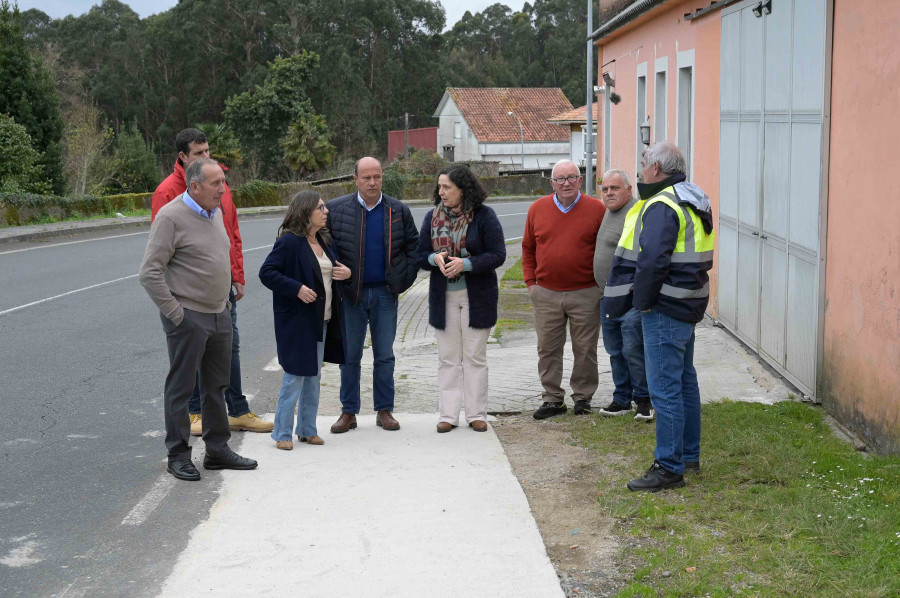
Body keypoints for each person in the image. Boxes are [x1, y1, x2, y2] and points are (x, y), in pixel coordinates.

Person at [603, 142, 714, 492]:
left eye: (643, 163)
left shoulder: (662, 204)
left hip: (665, 306)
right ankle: (688, 456)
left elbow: (651, 261)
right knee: (683, 381)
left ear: (656, 169)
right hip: (688, 302)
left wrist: (644, 303)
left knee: (665, 388)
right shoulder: (691, 196)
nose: (639, 170)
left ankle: (668, 466)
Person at [139, 158, 257, 481]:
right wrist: (178, 314)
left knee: (215, 386)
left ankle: (217, 450)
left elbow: (219, 254)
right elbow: (149, 273)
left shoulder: (215, 211)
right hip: (188, 317)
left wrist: (229, 291)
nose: (224, 189)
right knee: (181, 389)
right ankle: (177, 455)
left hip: (220, 312)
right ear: (194, 186)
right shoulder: (170, 217)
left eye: (223, 181)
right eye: (216, 183)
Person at [151, 128, 272, 436]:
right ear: (183, 157)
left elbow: (230, 232)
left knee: (228, 350)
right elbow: (159, 258)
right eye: (199, 153)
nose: (206, 157)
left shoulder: (217, 185)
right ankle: (193, 414)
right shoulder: (167, 194)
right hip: (188, 300)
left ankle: (238, 411)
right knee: (190, 357)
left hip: (222, 292)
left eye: (207, 150)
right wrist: (175, 310)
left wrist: (237, 275)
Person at [325, 157, 419, 433]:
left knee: (384, 355)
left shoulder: (398, 210)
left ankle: (384, 410)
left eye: (377, 176)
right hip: (350, 296)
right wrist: (334, 271)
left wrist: (402, 280)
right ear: (355, 179)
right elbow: (322, 247)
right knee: (350, 356)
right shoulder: (336, 210)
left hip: (384, 295)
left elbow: (414, 247)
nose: (372, 182)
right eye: (366, 177)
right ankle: (348, 412)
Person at [416, 165, 506, 433]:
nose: (441, 192)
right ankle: (448, 415)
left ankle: (476, 414)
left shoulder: (484, 216)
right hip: (443, 298)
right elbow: (419, 254)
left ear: (463, 190)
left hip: (477, 297)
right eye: (440, 187)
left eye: (447, 187)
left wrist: (466, 264)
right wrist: (435, 258)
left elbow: (498, 254)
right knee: (448, 358)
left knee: (474, 357)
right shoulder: (431, 218)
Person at [259, 191, 351, 450]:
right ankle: (282, 433)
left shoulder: (324, 239)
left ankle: (308, 430)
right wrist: (296, 288)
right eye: (321, 207)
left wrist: (346, 272)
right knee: (295, 376)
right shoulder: (290, 242)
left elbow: (333, 271)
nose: (326, 211)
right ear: (306, 211)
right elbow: (267, 273)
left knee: (314, 376)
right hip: (298, 321)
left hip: (323, 319)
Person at [522, 159, 605, 419]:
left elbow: (606, 249)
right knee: (547, 348)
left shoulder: (597, 209)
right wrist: (531, 284)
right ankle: (552, 399)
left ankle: (582, 398)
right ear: (552, 183)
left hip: (586, 292)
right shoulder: (537, 209)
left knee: (585, 349)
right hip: (546, 292)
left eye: (571, 177)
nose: (566, 183)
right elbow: (527, 249)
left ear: (580, 180)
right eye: (560, 179)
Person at [593, 169, 654, 422]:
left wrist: (638, 298)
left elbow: (647, 257)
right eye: (605, 189)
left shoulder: (639, 213)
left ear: (629, 190)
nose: (609, 193)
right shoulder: (608, 212)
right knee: (615, 351)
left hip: (629, 300)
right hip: (607, 298)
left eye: (615, 188)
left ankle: (643, 401)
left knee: (633, 351)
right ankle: (621, 398)